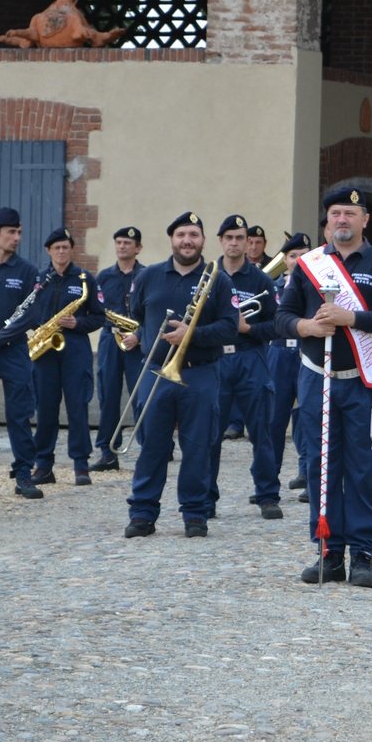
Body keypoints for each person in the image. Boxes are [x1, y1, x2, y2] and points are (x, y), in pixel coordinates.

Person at [278, 189, 372, 588]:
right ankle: (328, 552)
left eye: (350, 213)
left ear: (365, 219)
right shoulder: (311, 265)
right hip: (319, 377)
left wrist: (351, 317)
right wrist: (308, 327)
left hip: (362, 384)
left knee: (364, 469)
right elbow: (282, 316)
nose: (342, 220)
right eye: (335, 213)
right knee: (321, 465)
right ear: (327, 220)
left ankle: (363, 554)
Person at [123, 212, 238, 539]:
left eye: (194, 235)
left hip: (200, 373)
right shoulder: (149, 276)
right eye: (181, 235)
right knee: (152, 445)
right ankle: (142, 514)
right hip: (156, 371)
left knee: (198, 446)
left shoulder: (218, 279)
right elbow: (139, 316)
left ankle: (195, 514)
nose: (187, 241)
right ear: (171, 239)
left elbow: (230, 328)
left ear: (202, 240)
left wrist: (192, 333)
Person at [0, 228, 104, 487]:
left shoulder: (86, 279)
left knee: (77, 407)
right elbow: (27, 311)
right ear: (48, 251)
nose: (61, 252)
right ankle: (43, 464)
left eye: (65, 247)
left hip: (75, 348)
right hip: (44, 350)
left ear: (71, 249)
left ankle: (80, 463)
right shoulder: (40, 279)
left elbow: (99, 316)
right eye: (57, 248)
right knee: (45, 408)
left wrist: (78, 322)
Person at [206, 213, 283, 521]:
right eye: (230, 238)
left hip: (252, 357)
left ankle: (267, 495)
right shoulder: (208, 276)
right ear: (221, 241)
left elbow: (277, 325)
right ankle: (205, 497)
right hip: (216, 360)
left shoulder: (261, 280)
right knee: (211, 433)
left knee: (261, 430)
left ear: (248, 242)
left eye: (241, 238)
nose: (236, 243)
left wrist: (250, 329)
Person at [0, 207, 44, 500]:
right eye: (10, 233)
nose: (16, 238)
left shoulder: (27, 270)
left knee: (20, 415)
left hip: (14, 351)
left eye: (18, 232)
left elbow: (31, 314)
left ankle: (24, 474)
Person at [253, 231, 312, 501]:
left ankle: (311, 478)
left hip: (307, 353)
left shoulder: (318, 288)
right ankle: (268, 484)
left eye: (303, 255)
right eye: (292, 256)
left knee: (309, 418)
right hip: (278, 353)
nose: (298, 260)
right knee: (274, 420)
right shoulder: (273, 287)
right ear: (285, 259)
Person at [90, 225, 145, 472]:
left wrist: (139, 335)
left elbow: (152, 312)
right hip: (110, 340)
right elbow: (95, 311)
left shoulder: (146, 275)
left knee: (141, 397)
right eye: (119, 242)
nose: (122, 246)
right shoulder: (103, 277)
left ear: (138, 248)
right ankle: (108, 453)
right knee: (108, 395)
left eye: (127, 243)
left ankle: (151, 448)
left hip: (137, 342)